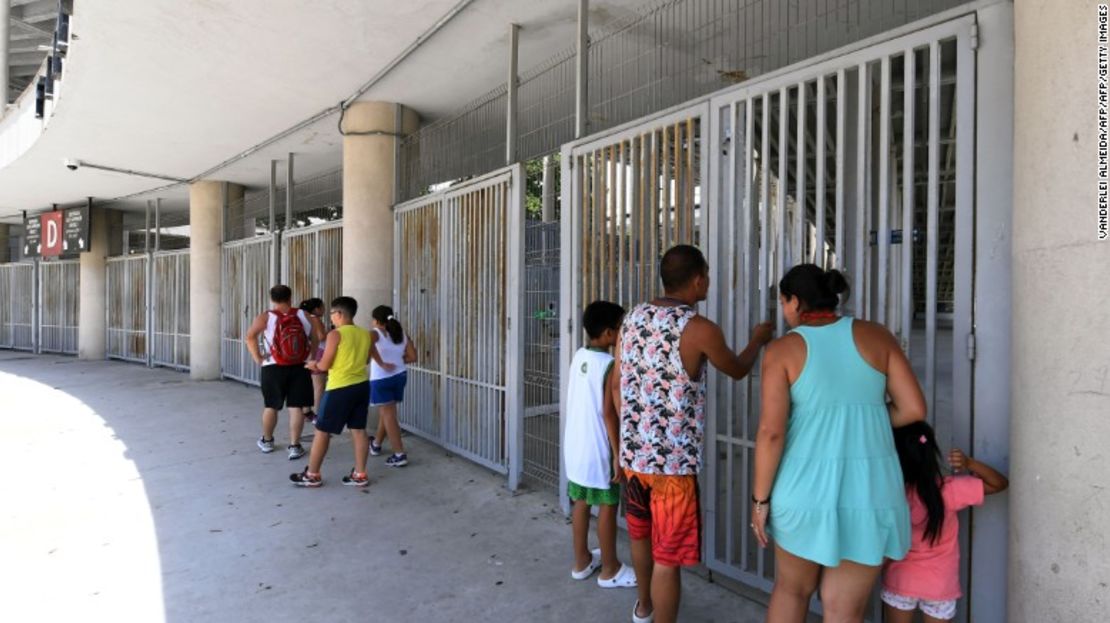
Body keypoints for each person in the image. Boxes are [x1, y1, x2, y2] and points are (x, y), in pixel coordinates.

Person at [751, 264, 924, 623]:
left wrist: (760, 499)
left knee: (792, 591)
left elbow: (771, 432)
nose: (783, 311)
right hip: (870, 494)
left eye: (782, 302)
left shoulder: (783, 351)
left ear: (795, 302)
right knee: (844, 609)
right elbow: (913, 408)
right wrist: (868, 418)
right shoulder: (876, 336)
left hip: (803, 493)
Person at [616, 245, 774, 623]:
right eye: (708, 273)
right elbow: (737, 368)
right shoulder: (699, 329)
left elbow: (619, 379)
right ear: (699, 279)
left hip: (634, 461)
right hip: (672, 468)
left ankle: (643, 607)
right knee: (668, 559)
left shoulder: (633, 317)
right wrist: (758, 338)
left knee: (640, 536)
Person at [882, 421, 1008, 622]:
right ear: (931, 454)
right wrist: (969, 463)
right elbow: (1000, 483)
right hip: (940, 584)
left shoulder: (892, 494)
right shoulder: (949, 490)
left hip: (901, 579)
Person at [565, 300, 636, 589]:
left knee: (580, 501)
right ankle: (610, 569)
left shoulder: (580, 356)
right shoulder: (609, 365)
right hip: (599, 449)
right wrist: (619, 454)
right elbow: (609, 413)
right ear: (609, 333)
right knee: (607, 505)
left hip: (576, 448)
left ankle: (581, 561)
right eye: (621, 329)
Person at [290, 296, 373, 487]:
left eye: (333, 314)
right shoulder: (365, 334)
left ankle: (312, 475)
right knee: (359, 430)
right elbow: (367, 361)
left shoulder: (335, 334)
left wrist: (313, 364)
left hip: (339, 388)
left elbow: (325, 365)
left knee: (322, 431)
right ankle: (360, 474)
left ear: (341, 314)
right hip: (361, 386)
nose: (331, 318)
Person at [246, 285, 325, 460]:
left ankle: (267, 441)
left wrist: (259, 358)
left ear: (272, 299)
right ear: (291, 297)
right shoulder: (304, 315)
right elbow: (315, 338)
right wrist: (309, 356)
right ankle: (295, 446)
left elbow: (250, 336)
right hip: (300, 366)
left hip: (273, 367)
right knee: (296, 407)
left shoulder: (266, 317)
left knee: (271, 406)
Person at [367, 305, 416, 468]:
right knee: (387, 412)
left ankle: (399, 453)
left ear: (375, 320)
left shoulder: (375, 333)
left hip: (381, 378)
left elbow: (368, 346)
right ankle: (376, 444)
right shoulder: (401, 334)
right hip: (400, 376)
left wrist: (381, 362)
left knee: (388, 415)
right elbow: (413, 356)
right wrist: (397, 362)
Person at [299, 298, 327, 424]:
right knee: (319, 386)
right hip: (319, 352)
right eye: (322, 307)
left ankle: (306, 411)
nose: (324, 309)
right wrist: (332, 332)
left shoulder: (305, 318)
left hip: (308, 353)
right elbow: (321, 337)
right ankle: (317, 414)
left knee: (309, 385)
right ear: (316, 309)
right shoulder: (315, 319)